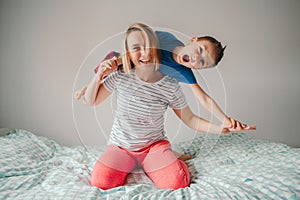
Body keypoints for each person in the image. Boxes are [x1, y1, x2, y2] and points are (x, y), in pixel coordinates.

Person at [84, 23, 236, 190]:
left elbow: (191, 117)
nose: (144, 53)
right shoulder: (121, 74)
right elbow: (91, 100)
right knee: (101, 182)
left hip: (153, 147)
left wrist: (219, 127)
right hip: (121, 146)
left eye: (148, 47)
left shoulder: (172, 82)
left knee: (177, 182)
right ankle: (153, 159)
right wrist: (98, 76)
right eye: (136, 48)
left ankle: (166, 156)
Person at [74, 23, 255, 133]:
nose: (195, 59)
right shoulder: (166, 39)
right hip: (130, 59)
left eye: (201, 63)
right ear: (193, 40)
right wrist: (109, 69)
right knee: (114, 61)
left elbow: (204, 99)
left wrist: (225, 120)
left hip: (148, 77)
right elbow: (136, 47)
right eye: (199, 51)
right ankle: (88, 85)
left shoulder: (184, 72)